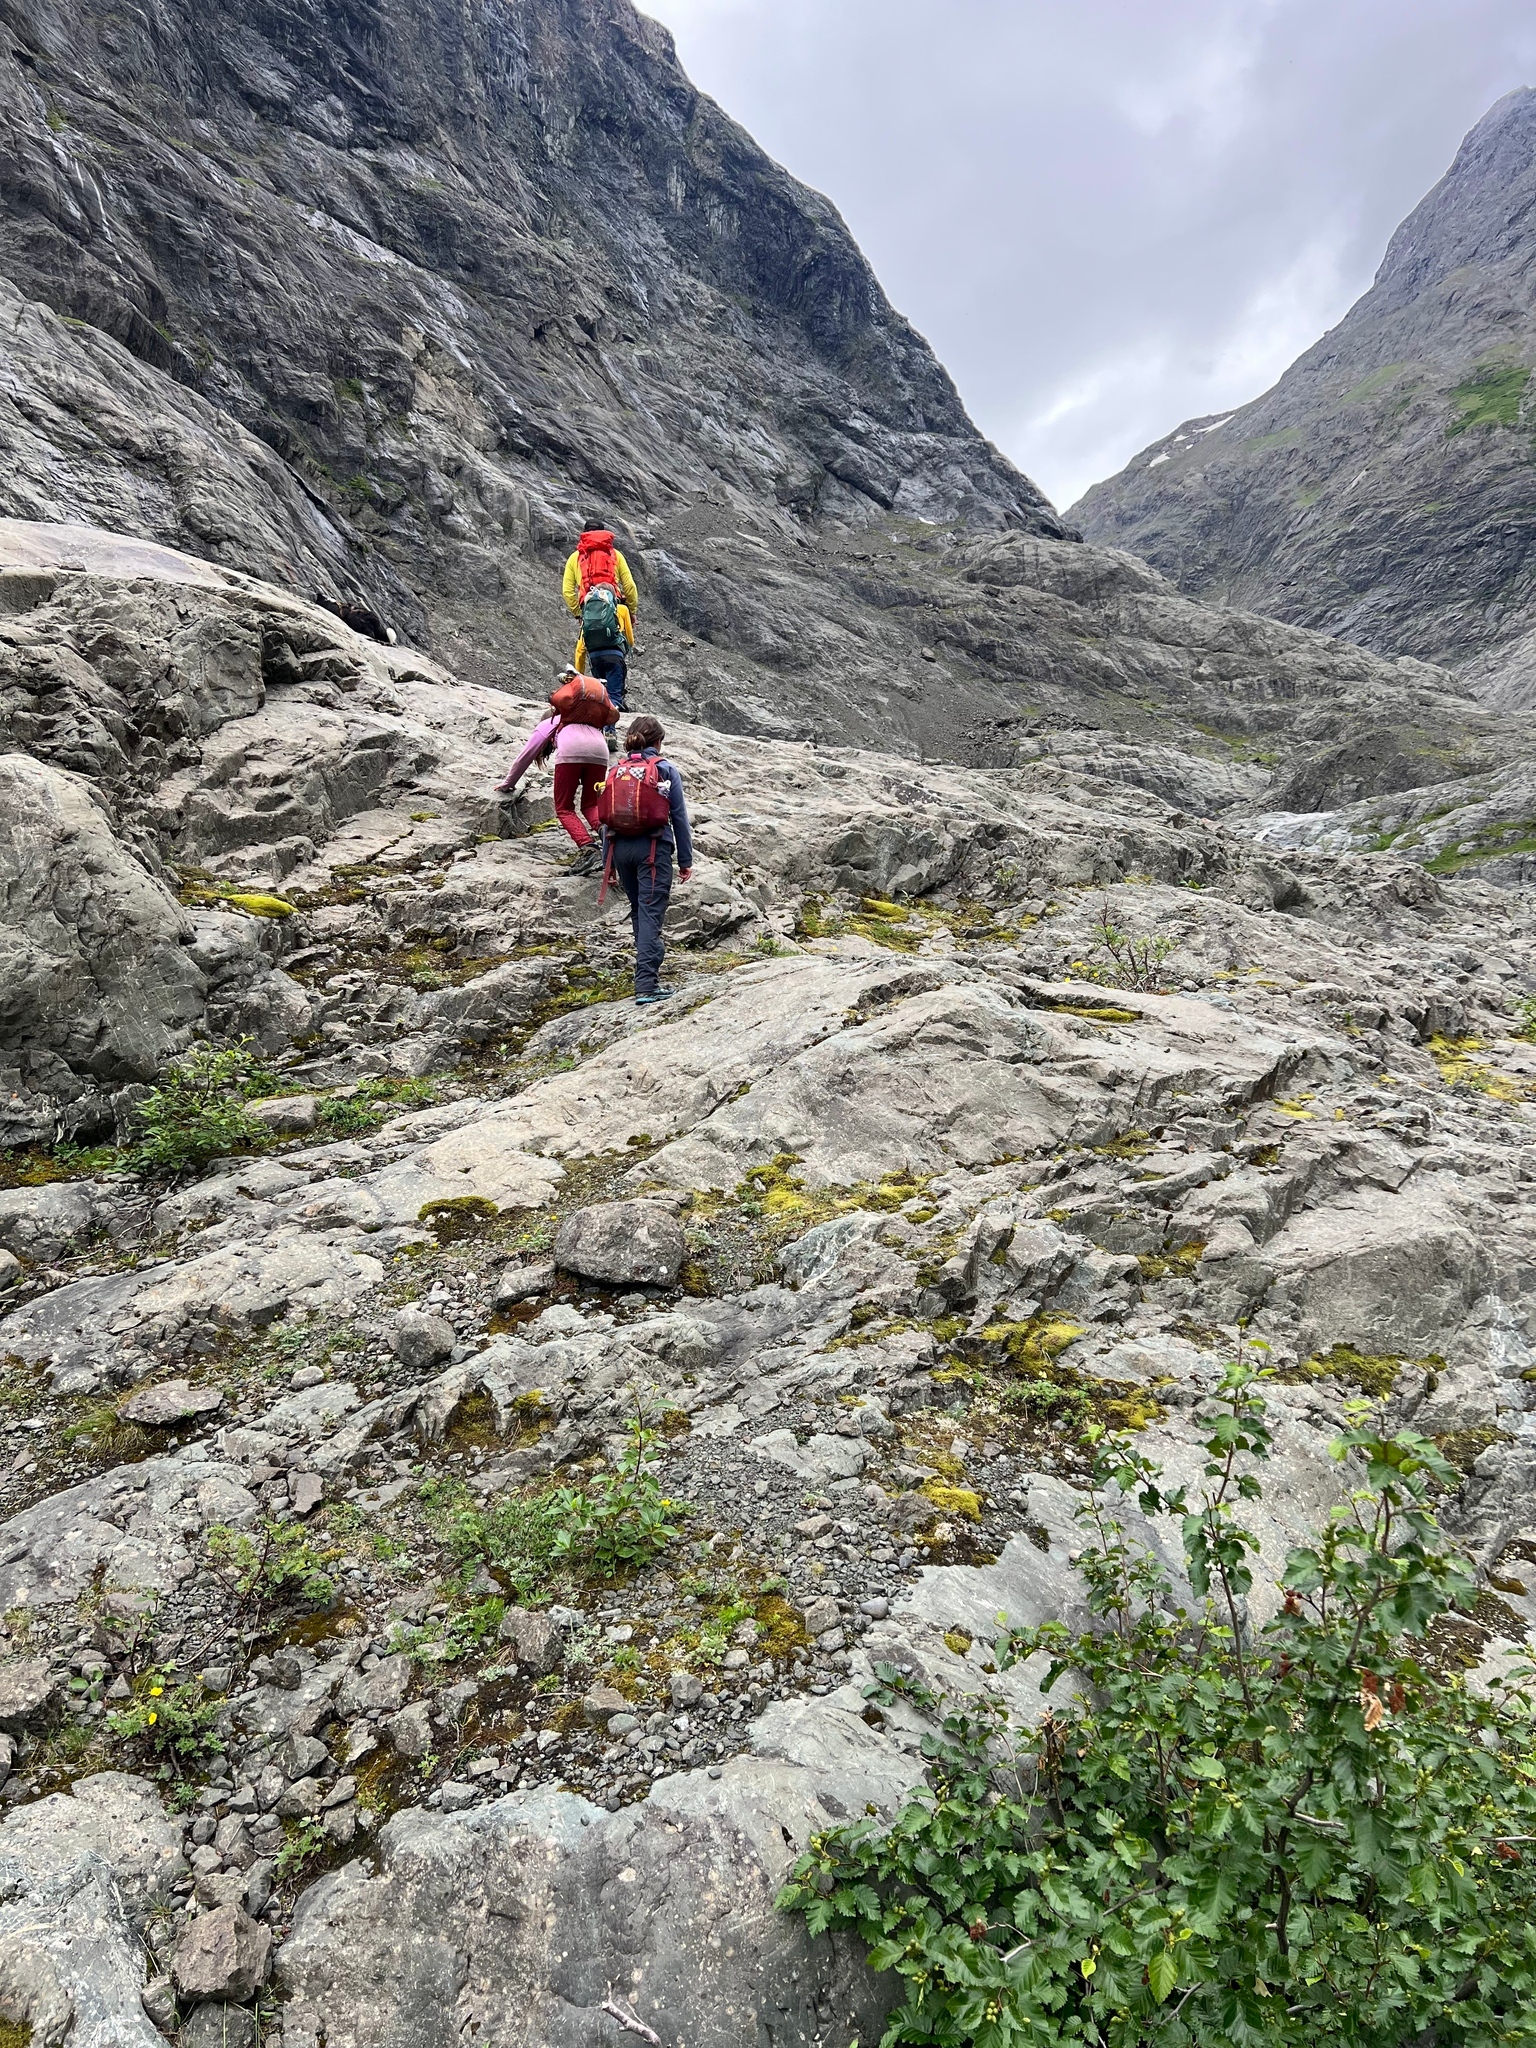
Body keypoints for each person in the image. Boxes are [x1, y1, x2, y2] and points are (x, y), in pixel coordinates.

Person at [598, 716, 693, 1005]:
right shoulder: (664, 769)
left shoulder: (616, 770)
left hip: (621, 851)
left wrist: (607, 863)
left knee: (639, 912)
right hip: (652, 850)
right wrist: (685, 859)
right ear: (658, 741)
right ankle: (647, 985)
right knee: (650, 913)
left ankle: (646, 977)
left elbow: (606, 820)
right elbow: (679, 817)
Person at [494, 672, 617, 876]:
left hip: (572, 750)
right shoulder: (590, 721)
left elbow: (525, 757)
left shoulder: (550, 721)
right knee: (591, 805)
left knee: (564, 808)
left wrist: (508, 784)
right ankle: (606, 833)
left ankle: (589, 849)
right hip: (600, 749)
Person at [563, 521, 639, 719]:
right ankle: (615, 705)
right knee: (616, 657)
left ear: (583, 534)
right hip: (615, 613)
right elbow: (629, 586)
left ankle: (602, 703)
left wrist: (580, 613)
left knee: (595, 660)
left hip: (589, 617)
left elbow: (567, 591)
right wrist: (631, 611)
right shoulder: (615, 555)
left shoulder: (575, 558)